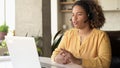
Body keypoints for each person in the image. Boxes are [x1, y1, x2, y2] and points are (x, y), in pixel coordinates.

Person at [51, 0, 111, 68]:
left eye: (79, 14)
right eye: (73, 14)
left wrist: (78, 61)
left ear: (88, 15)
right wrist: (57, 58)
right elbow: (55, 54)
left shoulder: (101, 36)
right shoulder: (68, 34)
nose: (74, 18)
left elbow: (105, 63)